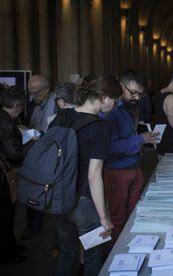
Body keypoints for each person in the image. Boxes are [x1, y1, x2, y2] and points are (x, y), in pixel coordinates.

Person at [50, 75, 121, 275]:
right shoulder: (100, 127)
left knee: (67, 253)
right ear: (104, 98)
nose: (115, 105)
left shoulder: (61, 116)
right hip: (83, 203)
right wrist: (103, 216)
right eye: (115, 99)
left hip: (57, 198)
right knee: (92, 257)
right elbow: (93, 176)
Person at [101, 70, 159, 243]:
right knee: (118, 219)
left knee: (133, 214)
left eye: (140, 94)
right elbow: (109, 147)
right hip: (117, 173)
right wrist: (140, 139)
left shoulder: (128, 108)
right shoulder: (110, 110)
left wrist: (139, 144)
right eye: (133, 92)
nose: (136, 97)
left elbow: (126, 137)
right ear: (121, 86)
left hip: (133, 168)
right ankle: (115, 256)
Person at [22, 74, 57, 239]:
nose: (33, 96)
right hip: (33, 154)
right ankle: (33, 225)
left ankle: (38, 226)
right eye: (30, 92)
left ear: (47, 90)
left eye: (36, 92)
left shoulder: (56, 104)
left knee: (42, 191)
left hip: (48, 156)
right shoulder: (33, 103)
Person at [0, 86, 28, 264]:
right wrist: (30, 143)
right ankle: (7, 253)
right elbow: (15, 154)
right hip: (4, 173)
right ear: (17, 107)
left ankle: (10, 247)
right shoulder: (7, 123)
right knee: (5, 215)